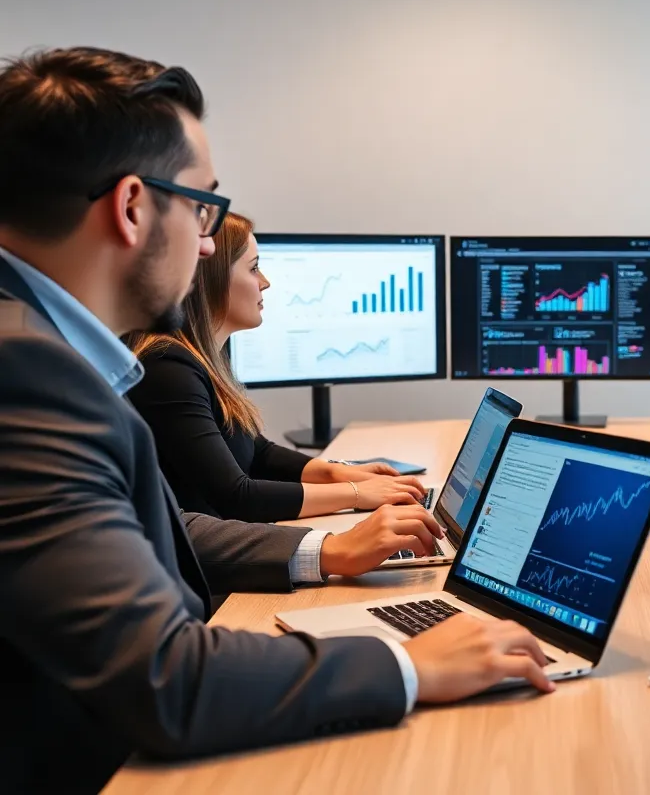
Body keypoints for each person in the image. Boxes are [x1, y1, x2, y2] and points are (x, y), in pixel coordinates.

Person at [0, 46, 553, 795]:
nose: (206, 243)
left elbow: (140, 527)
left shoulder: (40, 346)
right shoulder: (27, 372)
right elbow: (169, 682)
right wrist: (407, 662)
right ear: (132, 207)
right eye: (203, 208)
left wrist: (319, 554)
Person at [125, 211, 421, 522]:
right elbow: (236, 497)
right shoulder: (167, 367)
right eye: (253, 269)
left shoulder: (205, 357)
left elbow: (257, 452)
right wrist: (356, 494)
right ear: (210, 280)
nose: (265, 283)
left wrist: (340, 473)